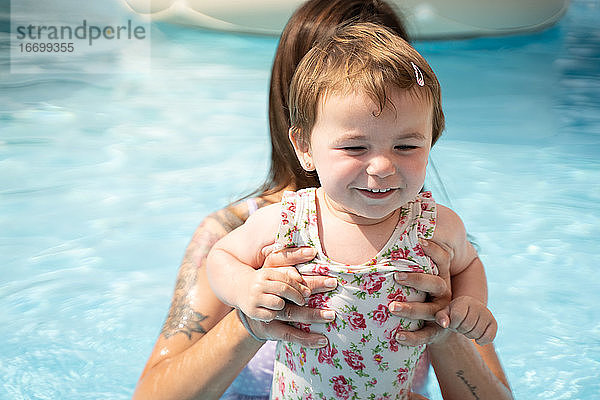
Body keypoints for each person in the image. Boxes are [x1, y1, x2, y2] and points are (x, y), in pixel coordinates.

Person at [133, 1, 513, 399]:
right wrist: (250, 320)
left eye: (403, 140)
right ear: (301, 121)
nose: (380, 163)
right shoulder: (248, 230)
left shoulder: (431, 238)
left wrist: (447, 329)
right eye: (355, 140)